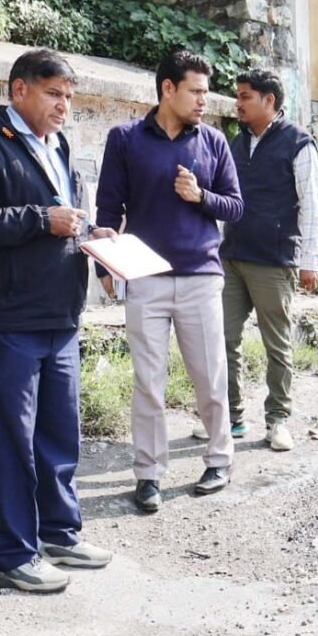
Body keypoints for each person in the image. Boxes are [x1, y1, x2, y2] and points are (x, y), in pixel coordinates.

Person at [0, 48, 115, 592]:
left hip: (61, 312)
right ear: (19, 90)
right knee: (15, 439)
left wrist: (93, 234)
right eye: (53, 94)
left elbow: (70, 219)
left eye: (69, 96)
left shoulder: (59, 145)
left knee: (59, 432)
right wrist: (42, 219)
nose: (63, 106)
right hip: (13, 313)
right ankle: (12, 554)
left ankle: (60, 533)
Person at [96, 49, 244, 513]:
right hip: (144, 278)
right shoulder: (125, 139)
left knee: (210, 377)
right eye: (195, 91)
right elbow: (108, 207)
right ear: (167, 88)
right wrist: (104, 266)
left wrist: (201, 196)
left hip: (201, 277)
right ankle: (148, 474)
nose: (203, 100)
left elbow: (236, 206)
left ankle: (219, 459)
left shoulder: (214, 142)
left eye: (206, 92)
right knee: (148, 383)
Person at [191, 68, 318, 452]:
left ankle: (278, 419)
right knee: (222, 338)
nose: (238, 103)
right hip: (232, 255)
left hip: (274, 259)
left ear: (269, 100)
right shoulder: (236, 142)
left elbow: (311, 204)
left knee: (276, 344)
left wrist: (310, 259)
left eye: (245, 96)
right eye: (238, 96)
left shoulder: (298, 143)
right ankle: (229, 418)